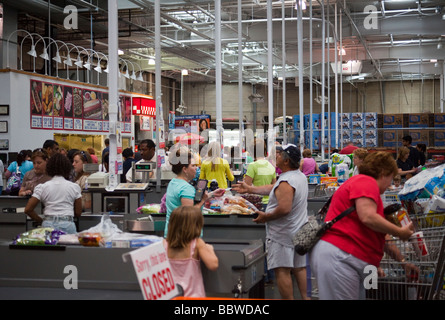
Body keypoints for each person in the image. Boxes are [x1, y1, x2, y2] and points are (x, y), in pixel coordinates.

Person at [309, 151, 415, 300]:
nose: (390, 183)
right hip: (341, 258)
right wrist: (400, 232)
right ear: (384, 172)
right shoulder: (366, 182)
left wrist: (403, 262)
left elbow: (379, 234)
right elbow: (368, 217)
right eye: (391, 178)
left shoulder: (365, 187)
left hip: (347, 259)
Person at [233, 144, 309, 300]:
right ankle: (305, 297)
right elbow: (274, 188)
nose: (276, 157)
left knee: (282, 270)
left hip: (283, 235)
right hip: (299, 229)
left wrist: (265, 217)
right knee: (299, 267)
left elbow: (284, 209)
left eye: (279, 154)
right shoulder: (298, 176)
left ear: (287, 161)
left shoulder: (287, 181)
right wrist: (250, 189)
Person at [164, 146, 225, 237]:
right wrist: (203, 201)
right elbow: (189, 214)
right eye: (193, 166)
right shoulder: (186, 188)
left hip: (172, 233)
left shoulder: (173, 183)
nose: (196, 168)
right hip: (184, 237)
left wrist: (211, 194)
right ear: (185, 169)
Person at [164, 206, 218, 297]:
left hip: (172, 297)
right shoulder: (197, 243)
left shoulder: (163, 244)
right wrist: (210, 249)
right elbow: (213, 265)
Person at [24, 153, 83, 234]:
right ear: (67, 168)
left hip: (48, 224)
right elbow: (78, 212)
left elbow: (28, 210)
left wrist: (41, 220)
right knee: (69, 246)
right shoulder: (74, 187)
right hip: (67, 223)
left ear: (49, 168)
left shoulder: (42, 187)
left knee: (50, 246)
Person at [244, 139, 276, 207]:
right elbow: (274, 187)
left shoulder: (252, 166)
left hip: (256, 203)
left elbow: (246, 187)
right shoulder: (271, 166)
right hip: (269, 203)